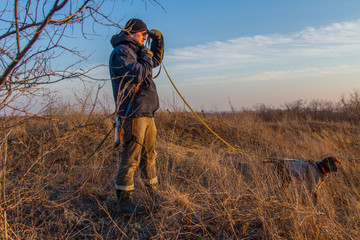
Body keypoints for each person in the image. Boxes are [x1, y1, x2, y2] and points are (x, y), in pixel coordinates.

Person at [109, 18, 164, 213]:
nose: (144, 39)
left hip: (147, 113)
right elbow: (137, 74)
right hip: (133, 113)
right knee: (130, 159)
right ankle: (125, 206)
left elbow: (153, 62)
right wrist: (145, 54)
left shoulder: (137, 51)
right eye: (143, 35)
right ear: (132, 33)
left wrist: (157, 42)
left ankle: (153, 196)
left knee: (149, 157)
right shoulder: (122, 51)